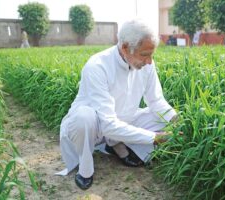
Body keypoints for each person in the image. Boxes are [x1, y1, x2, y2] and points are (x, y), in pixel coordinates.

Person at [59, 19, 177, 190]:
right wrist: (155, 138)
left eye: (152, 55)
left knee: (161, 117)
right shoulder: (97, 66)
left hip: (122, 121)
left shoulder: (146, 65)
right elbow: (107, 124)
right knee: (84, 117)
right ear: (125, 47)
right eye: (144, 54)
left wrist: (177, 120)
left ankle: (115, 144)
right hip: (95, 126)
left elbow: (156, 101)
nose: (150, 61)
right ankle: (85, 170)